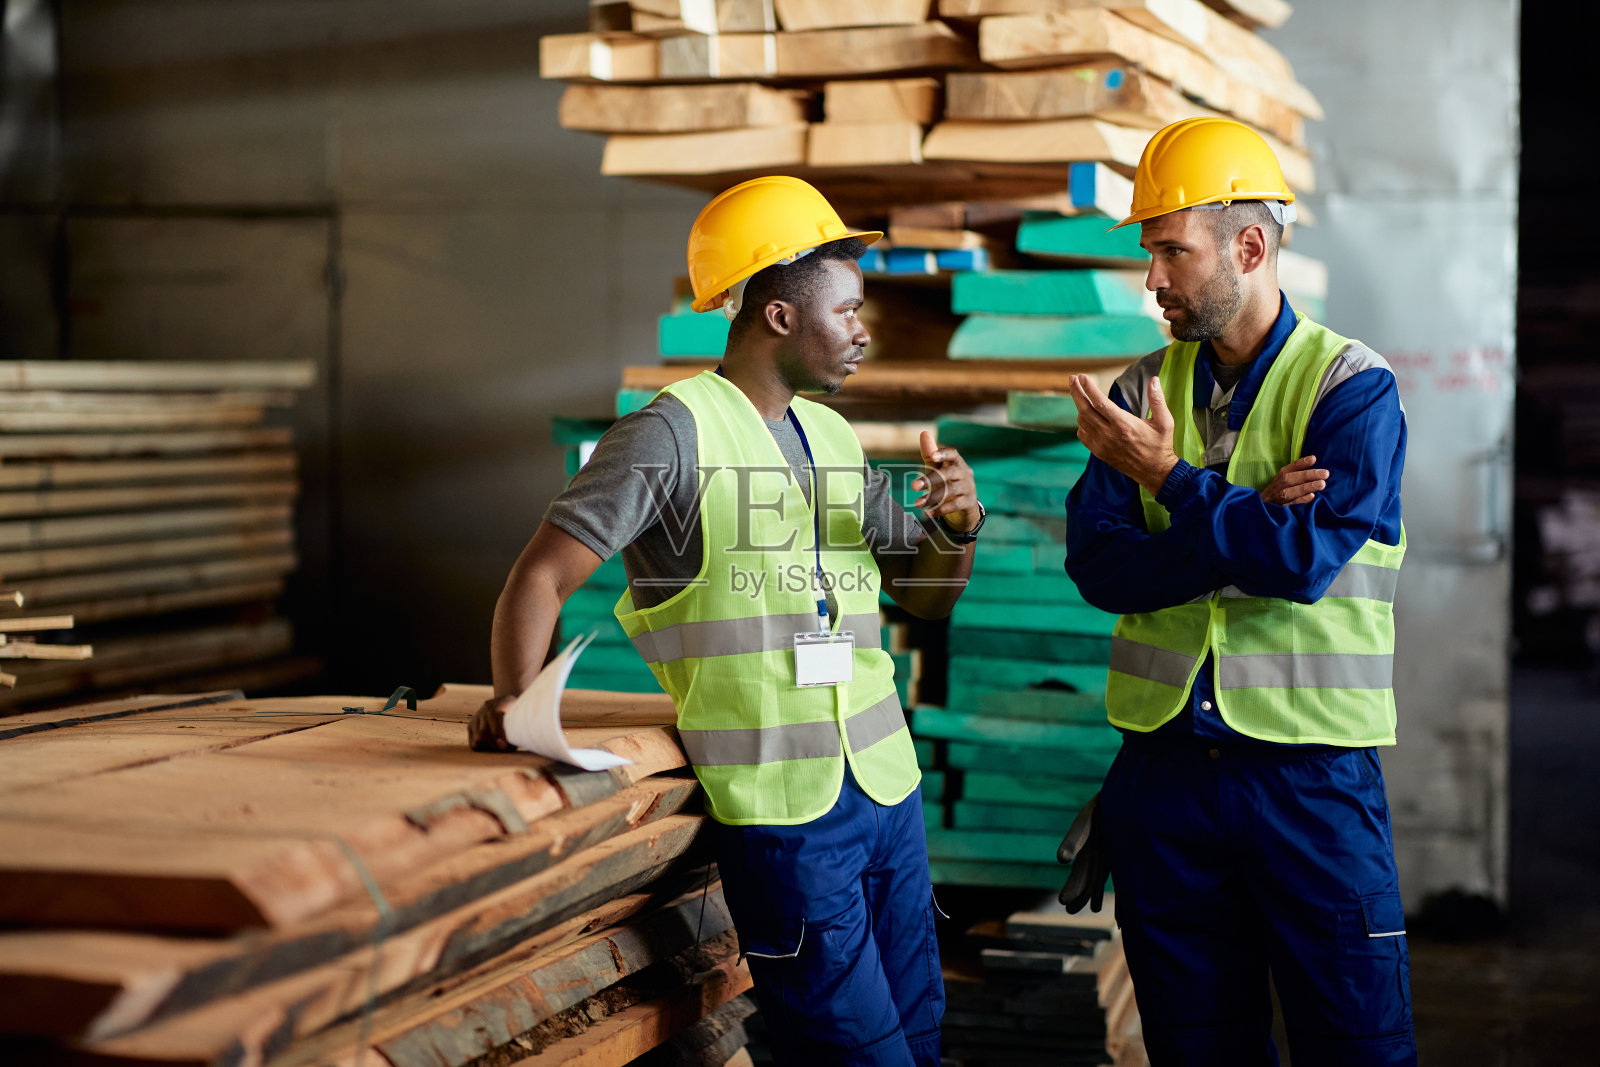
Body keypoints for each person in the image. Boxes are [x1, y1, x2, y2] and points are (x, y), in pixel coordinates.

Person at [469, 175, 986, 1067]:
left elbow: (926, 595)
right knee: (857, 1055)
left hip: (887, 795)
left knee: (919, 1040)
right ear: (779, 315)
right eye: (848, 310)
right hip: (785, 817)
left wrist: (958, 526)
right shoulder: (670, 435)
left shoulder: (833, 437)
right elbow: (541, 575)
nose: (864, 330)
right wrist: (517, 702)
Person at [1061, 117, 1417, 1066]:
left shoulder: (1351, 388)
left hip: (1311, 783)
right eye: (1149, 252)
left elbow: (1303, 564)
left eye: (1171, 251)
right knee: (1197, 1050)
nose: (1152, 278)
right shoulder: (1140, 388)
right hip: (1164, 777)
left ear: (1249, 247)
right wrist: (1248, 518)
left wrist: (1173, 484)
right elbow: (1098, 566)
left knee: (1358, 1046)